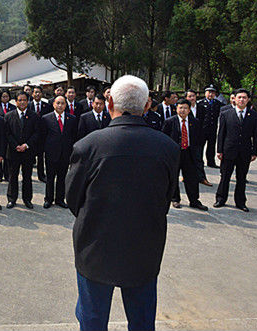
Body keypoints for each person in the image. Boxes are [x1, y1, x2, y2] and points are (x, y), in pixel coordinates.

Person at [66, 75, 179, 331]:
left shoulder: (88, 146)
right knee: (142, 321)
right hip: (144, 248)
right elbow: (166, 198)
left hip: (95, 248)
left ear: (109, 103)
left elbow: (73, 199)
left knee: (93, 321)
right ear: (147, 106)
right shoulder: (167, 148)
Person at [215, 88, 257, 212]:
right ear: (234, 99)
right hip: (228, 150)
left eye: (244, 97)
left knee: (241, 178)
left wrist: (254, 152)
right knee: (225, 176)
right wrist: (219, 150)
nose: (242, 100)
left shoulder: (254, 116)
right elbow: (221, 134)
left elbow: (256, 135)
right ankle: (220, 199)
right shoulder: (226, 114)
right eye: (239, 97)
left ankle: (240, 202)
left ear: (248, 100)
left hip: (245, 152)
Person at [161, 99, 208, 211]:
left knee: (192, 178)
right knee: (174, 177)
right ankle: (175, 199)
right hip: (175, 154)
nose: (183, 110)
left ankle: (194, 200)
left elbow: (200, 138)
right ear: (176, 109)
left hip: (189, 153)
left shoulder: (195, 122)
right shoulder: (170, 122)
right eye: (180, 108)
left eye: (185, 108)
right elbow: (164, 138)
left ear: (189, 109)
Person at [4, 92, 38, 209]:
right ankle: (11, 199)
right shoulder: (9, 116)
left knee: (27, 177)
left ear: (28, 101)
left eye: (24, 100)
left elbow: (36, 133)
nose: (22, 102)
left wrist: (26, 145)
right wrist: (16, 146)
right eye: (20, 100)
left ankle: (27, 199)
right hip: (13, 152)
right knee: (13, 176)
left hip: (28, 151)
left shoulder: (34, 116)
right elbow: (7, 133)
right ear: (16, 101)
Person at [41, 96, 76, 208]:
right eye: (58, 103)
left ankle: (60, 199)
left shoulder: (72, 119)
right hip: (51, 153)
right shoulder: (46, 118)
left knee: (62, 177)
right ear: (53, 104)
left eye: (62, 103)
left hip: (65, 153)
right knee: (50, 177)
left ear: (66, 105)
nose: (60, 105)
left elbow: (73, 136)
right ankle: (48, 199)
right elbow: (43, 137)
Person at [186, 89, 211, 186]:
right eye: (189, 96)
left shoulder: (201, 107)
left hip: (198, 137)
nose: (192, 98)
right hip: (186, 137)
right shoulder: (183, 108)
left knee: (198, 158)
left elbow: (205, 121)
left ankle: (202, 178)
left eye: (193, 96)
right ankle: (186, 176)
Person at [28, 86, 52, 182]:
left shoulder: (47, 106)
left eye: (39, 92)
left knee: (41, 157)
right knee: (29, 157)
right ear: (32, 94)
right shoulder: (28, 105)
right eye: (35, 92)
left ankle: (41, 175)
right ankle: (28, 176)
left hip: (42, 135)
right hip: (30, 135)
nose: (37, 94)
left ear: (42, 94)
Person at [197, 85, 223, 169]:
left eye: (213, 92)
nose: (211, 94)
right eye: (209, 92)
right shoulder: (200, 103)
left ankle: (211, 162)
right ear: (205, 93)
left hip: (212, 128)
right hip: (202, 129)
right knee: (200, 146)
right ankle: (199, 161)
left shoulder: (217, 103)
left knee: (211, 146)